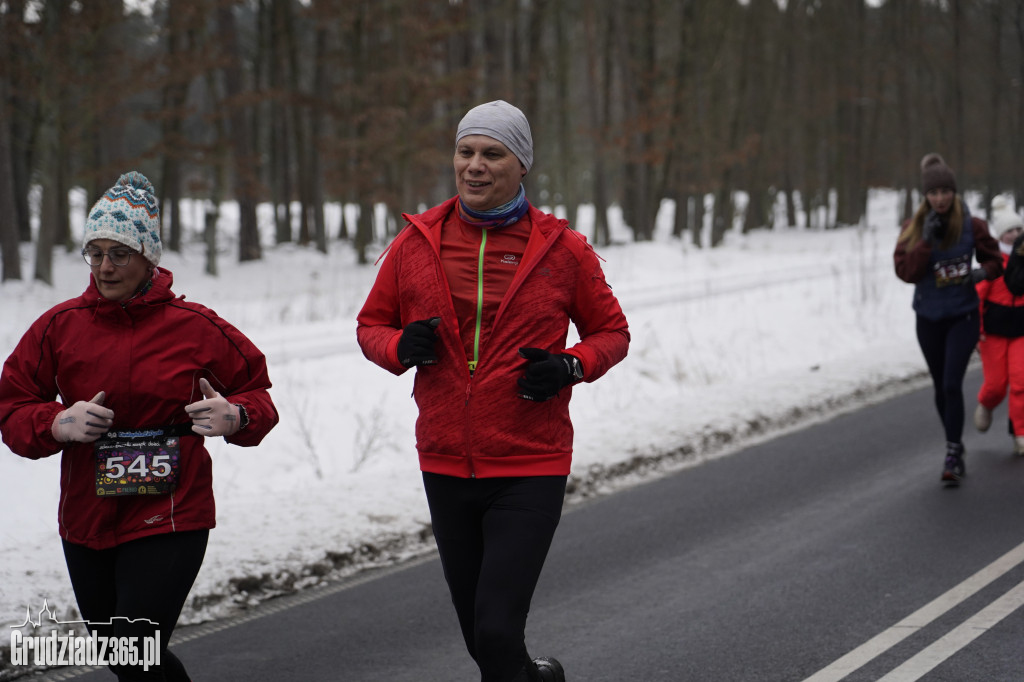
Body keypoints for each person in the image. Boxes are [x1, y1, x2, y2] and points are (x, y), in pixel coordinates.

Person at [356, 101, 629, 682]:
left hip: (531, 462)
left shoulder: (564, 249)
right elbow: (370, 326)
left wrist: (570, 367)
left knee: (498, 629)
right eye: (465, 151)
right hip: (446, 462)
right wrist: (401, 348)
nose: (475, 166)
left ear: (521, 164)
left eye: (492, 154)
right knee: (485, 645)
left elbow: (612, 333)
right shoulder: (416, 243)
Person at [0, 172, 279, 681]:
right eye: (96, 252)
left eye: (120, 253)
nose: (105, 267)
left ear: (149, 256)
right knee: (121, 657)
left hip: (170, 513)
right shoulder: (58, 327)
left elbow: (258, 396)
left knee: (137, 648)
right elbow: (13, 407)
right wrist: (57, 422)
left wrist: (234, 416)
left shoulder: (196, 327)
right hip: (87, 515)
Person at [894, 153, 1002, 485]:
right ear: (926, 196)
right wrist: (925, 241)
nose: (940, 198)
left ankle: (953, 453)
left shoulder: (972, 225)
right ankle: (953, 442)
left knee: (953, 383)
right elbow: (905, 272)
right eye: (933, 193)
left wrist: (981, 272)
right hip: (928, 317)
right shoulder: (913, 229)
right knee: (941, 386)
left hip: (963, 315)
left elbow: (996, 260)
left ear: (953, 192)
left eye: (945, 191)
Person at [974, 198, 1024, 453]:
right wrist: (976, 330)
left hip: (1021, 331)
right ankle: (986, 404)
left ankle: (1020, 434)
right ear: (1000, 235)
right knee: (996, 384)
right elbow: (977, 298)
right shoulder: (992, 262)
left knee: (1021, 381)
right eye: (1009, 231)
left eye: (1018, 230)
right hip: (993, 332)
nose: (1014, 235)